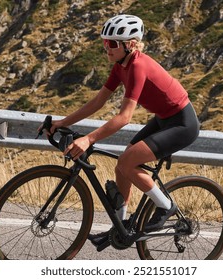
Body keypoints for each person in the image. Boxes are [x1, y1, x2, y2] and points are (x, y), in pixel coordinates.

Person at [44, 14, 199, 248]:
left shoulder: (137, 66)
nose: (107, 48)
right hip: (163, 119)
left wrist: (88, 139)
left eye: (113, 44)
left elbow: (125, 117)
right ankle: (122, 225)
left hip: (182, 124)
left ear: (131, 45)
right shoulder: (120, 66)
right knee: (122, 166)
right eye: (105, 42)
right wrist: (62, 121)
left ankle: (166, 207)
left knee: (127, 162)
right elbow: (98, 102)